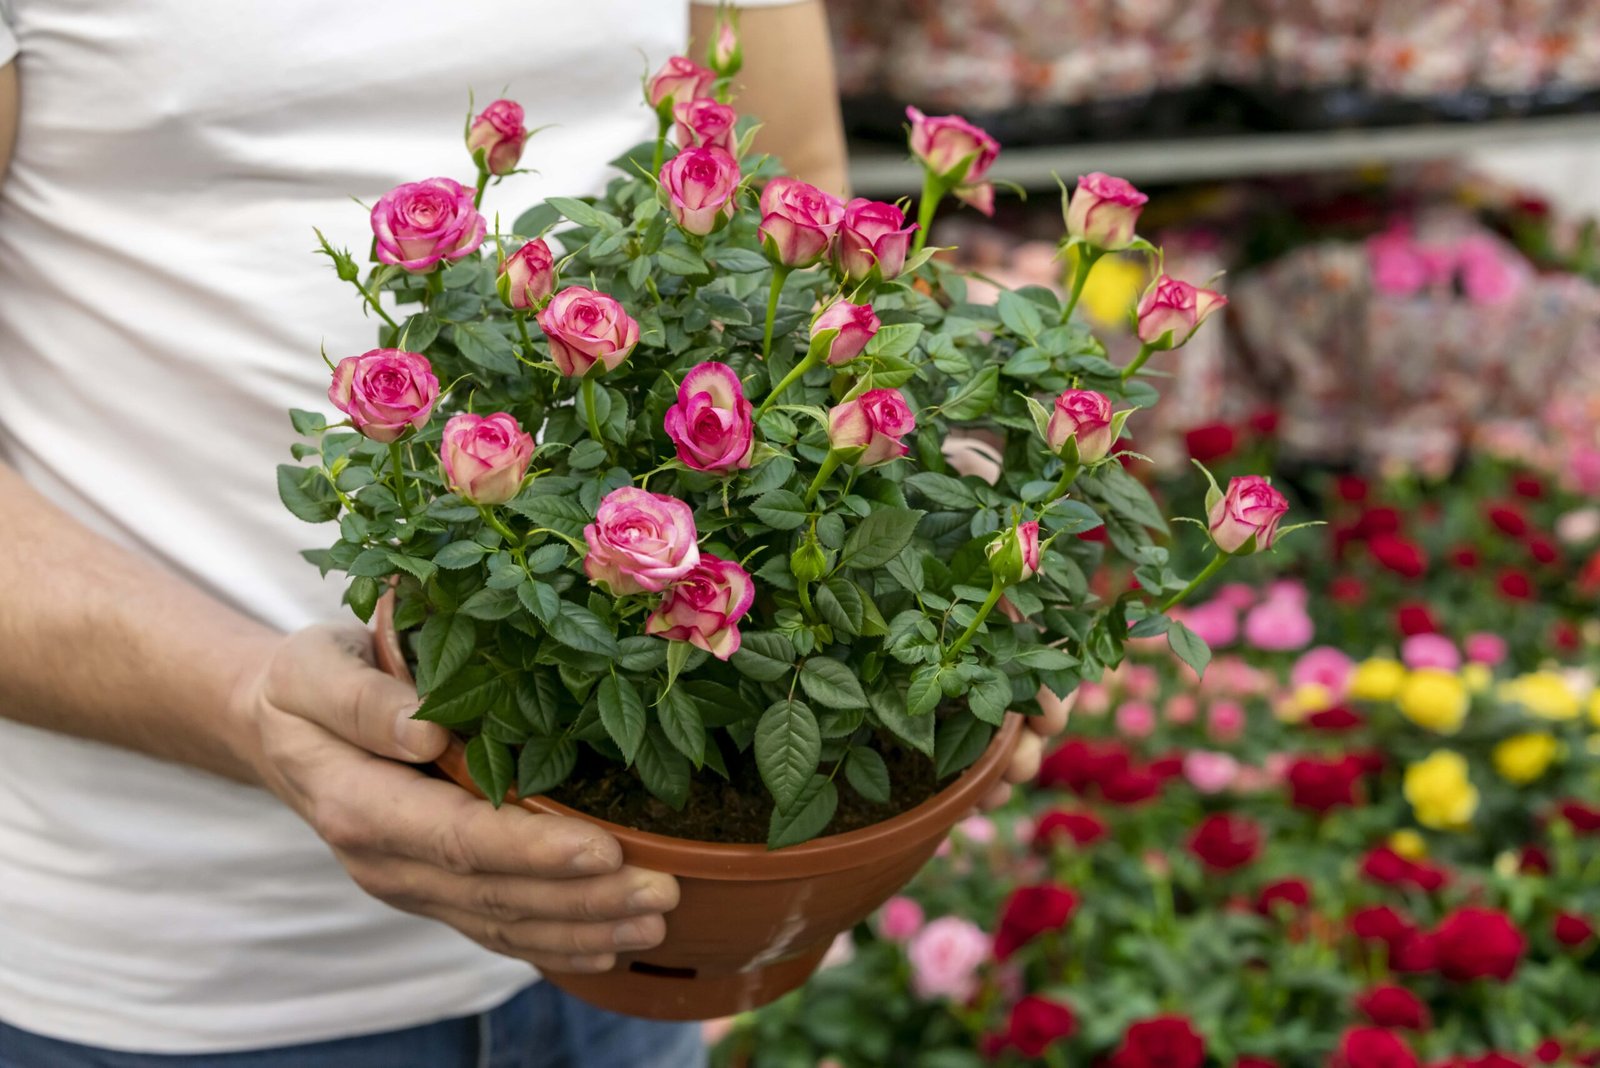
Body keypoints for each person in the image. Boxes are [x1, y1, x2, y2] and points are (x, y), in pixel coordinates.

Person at [0, 1, 1065, 1065]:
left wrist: (931, 495)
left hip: (641, 944)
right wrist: (244, 707)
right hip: (173, 973)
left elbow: (798, 190)